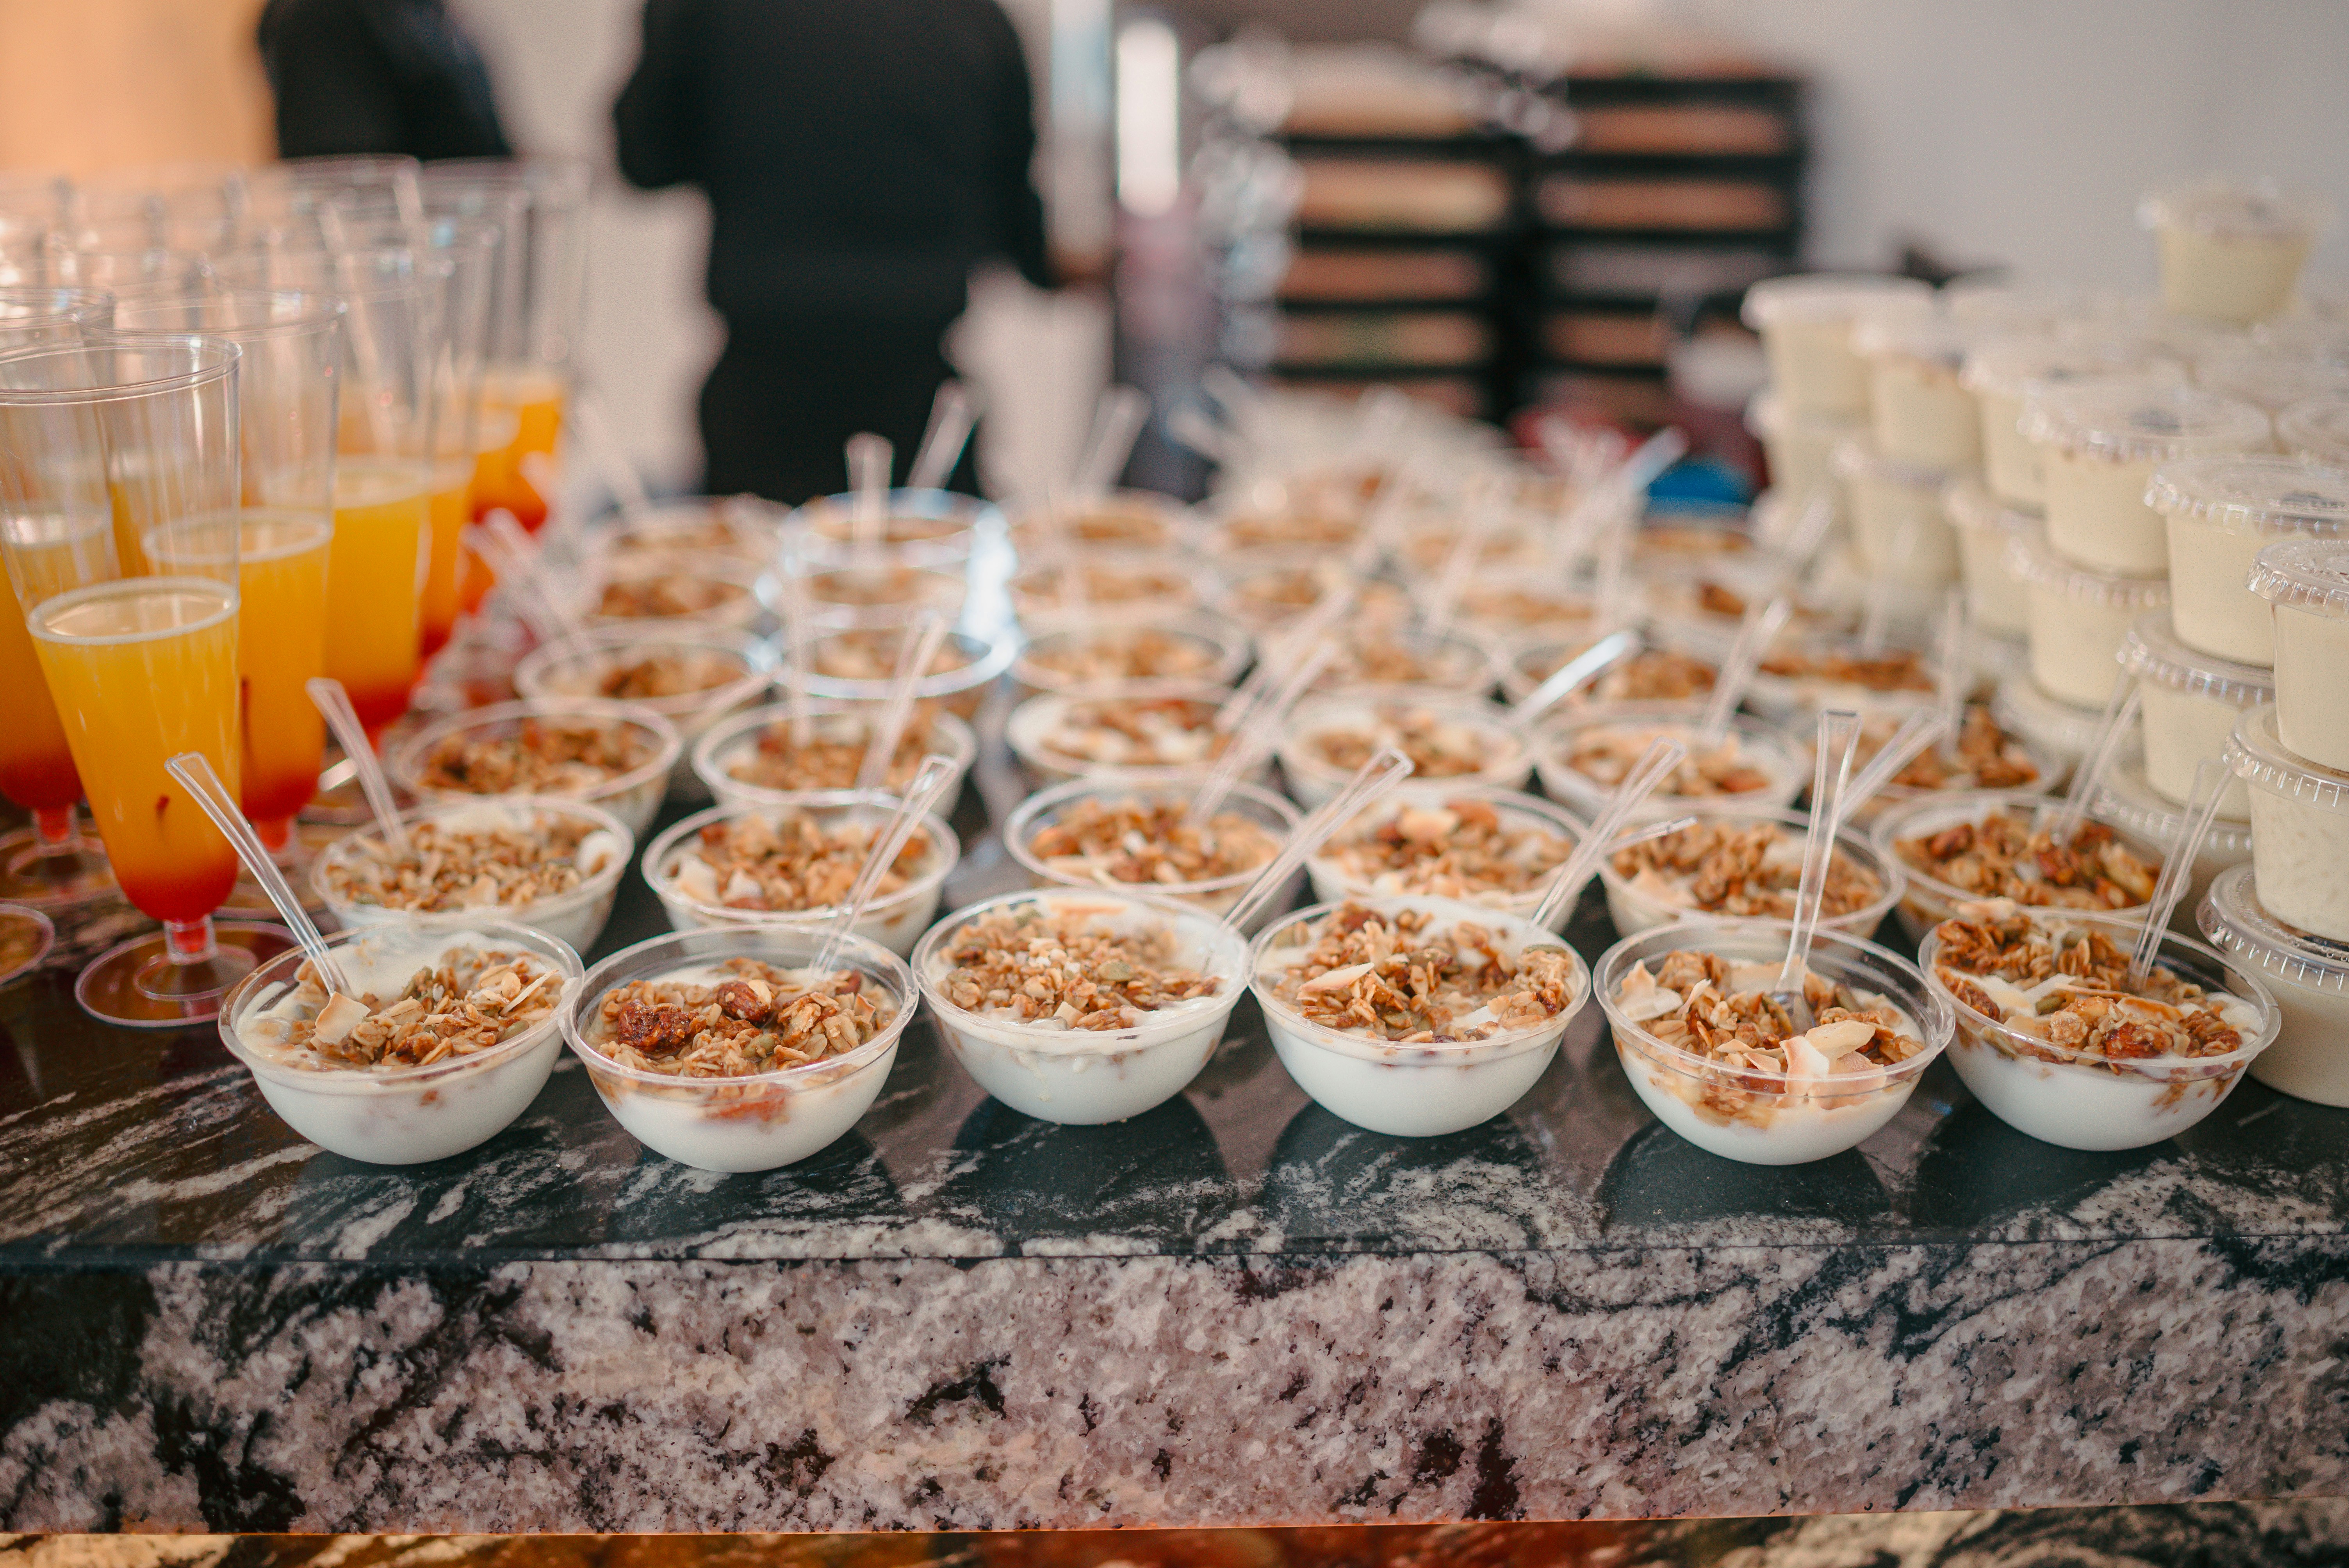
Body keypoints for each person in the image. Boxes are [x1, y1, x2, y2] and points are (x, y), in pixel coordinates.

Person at [613, 0, 1052, 502]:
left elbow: (643, 159)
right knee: (932, 571)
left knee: (763, 573)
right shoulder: (977, 20)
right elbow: (1019, 231)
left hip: (764, 401)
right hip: (917, 392)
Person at [257, 0, 513, 161]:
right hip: (426, 239)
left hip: (470, 231)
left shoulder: (424, 10)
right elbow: (349, 188)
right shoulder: (319, 15)